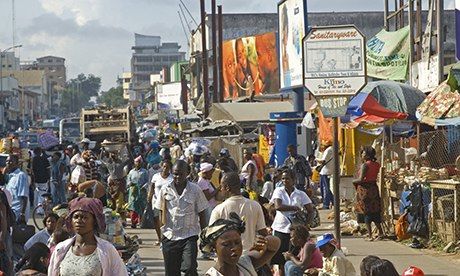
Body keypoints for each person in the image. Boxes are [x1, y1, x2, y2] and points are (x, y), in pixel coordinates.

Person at [48, 197, 128, 276]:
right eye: (76, 217)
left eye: (84, 217)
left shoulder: (107, 250)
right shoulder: (61, 249)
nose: (78, 220)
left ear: (95, 221)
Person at [154, 159, 208, 276]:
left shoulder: (195, 190)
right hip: (170, 237)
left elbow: (202, 213)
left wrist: (205, 236)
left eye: (180, 174)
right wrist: (161, 236)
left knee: (189, 268)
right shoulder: (165, 189)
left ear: (187, 173)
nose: (177, 177)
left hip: (189, 236)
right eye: (175, 173)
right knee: (171, 272)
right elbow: (160, 212)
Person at [201, 212, 280, 276]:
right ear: (213, 248)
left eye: (237, 242)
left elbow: (275, 243)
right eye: (226, 244)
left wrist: (264, 242)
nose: (234, 248)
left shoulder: (245, 264)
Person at [210, 172, 267, 253]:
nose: (220, 190)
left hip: (227, 257)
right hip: (250, 257)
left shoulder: (219, 210)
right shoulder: (255, 205)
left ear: (227, 188)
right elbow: (263, 232)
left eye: (221, 187)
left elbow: (211, 237)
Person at [271, 169, 314, 276]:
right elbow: (278, 206)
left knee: (293, 257)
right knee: (280, 260)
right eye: (283, 178)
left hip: (295, 233)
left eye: (287, 178)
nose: (285, 181)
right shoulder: (279, 191)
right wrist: (295, 207)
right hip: (280, 229)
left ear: (293, 180)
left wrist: (306, 225)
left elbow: (310, 210)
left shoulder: (300, 194)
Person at [353, 146, 384, 241]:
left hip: (365, 190)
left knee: (367, 212)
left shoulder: (365, 165)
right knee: (375, 211)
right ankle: (381, 232)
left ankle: (370, 235)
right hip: (374, 188)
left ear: (366, 155)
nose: (361, 155)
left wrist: (354, 181)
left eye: (363, 153)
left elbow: (361, 179)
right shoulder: (377, 164)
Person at [147, 160, 173, 245]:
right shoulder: (156, 176)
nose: (165, 169)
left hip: (168, 202)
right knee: (156, 219)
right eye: (164, 167)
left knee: (165, 221)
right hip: (156, 202)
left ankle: (165, 238)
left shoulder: (172, 178)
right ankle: (159, 238)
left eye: (167, 167)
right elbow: (152, 187)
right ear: (161, 167)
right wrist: (149, 196)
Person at [4, 154, 29, 223]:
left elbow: (24, 196)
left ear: (17, 163)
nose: (8, 163)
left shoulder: (21, 176)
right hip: (9, 211)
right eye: (7, 161)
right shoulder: (9, 177)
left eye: (11, 161)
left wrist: (22, 213)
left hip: (17, 213)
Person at [127, 156, 149, 228]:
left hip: (142, 192)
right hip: (133, 192)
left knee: (141, 207)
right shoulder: (131, 172)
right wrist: (130, 184)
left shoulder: (145, 172)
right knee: (133, 207)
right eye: (136, 162)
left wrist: (144, 187)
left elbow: (147, 181)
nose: (138, 163)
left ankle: (142, 222)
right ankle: (134, 222)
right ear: (134, 163)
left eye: (139, 162)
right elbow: (128, 180)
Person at [31, 147, 50, 214]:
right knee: (42, 194)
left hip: (36, 180)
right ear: (40, 152)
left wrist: (32, 180)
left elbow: (31, 171)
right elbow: (48, 169)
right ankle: (40, 210)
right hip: (43, 179)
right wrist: (49, 178)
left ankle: (36, 209)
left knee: (36, 194)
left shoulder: (32, 159)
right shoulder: (44, 159)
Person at [0, 187, 14, 275]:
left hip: (3, 235)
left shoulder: (1, 198)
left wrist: (1, 238)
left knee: (6, 263)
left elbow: (3, 220)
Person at [317, 141, 334, 209]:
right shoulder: (333, 149)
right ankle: (333, 202)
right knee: (330, 188)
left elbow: (323, 161)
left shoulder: (328, 150)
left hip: (325, 172)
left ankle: (326, 204)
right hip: (331, 171)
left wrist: (317, 159)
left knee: (325, 189)